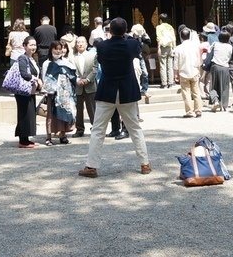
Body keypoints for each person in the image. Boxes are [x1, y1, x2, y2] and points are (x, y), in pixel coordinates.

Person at [78, 18, 151, 178]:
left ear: (109, 30)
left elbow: (102, 60)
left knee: (98, 129)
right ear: (125, 31)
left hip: (107, 89)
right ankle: (144, 163)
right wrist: (129, 35)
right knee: (135, 128)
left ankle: (91, 166)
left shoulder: (102, 46)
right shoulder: (131, 44)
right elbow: (137, 46)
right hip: (127, 89)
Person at [40, 41, 77, 146]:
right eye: (56, 48)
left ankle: (63, 135)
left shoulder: (66, 62)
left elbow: (72, 76)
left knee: (64, 113)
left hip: (65, 93)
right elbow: (45, 78)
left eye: (60, 49)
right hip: (53, 92)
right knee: (51, 115)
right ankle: (49, 136)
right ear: (51, 49)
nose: (58, 51)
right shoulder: (47, 63)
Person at [14, 36, 42, 148]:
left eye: (34, 45)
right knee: (24, 114)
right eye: (30, 45)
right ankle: (23, 140)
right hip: (23, 91)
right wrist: (36, 79)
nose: (33, 47)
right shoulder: (22, 58)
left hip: (30, 91)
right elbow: (24, 73)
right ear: (24, 46)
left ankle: (26, 138)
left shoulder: (32, 58)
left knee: (29, 114)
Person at [173, 26, 203, 117]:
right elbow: (199, 59)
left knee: (186, 93)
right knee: (196, 91)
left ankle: (189, 111)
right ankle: (198, 110)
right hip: (194, 71)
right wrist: (198, 69)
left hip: (183, 72)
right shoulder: (195, 47)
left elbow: (176, 62)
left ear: (181, 36)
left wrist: (175, 74)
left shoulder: (178, 48)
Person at [71, 36, 97, 137]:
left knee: (92, 109)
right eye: (78, 42)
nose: (80, 44)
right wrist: (77, 80)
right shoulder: (72, 58)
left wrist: (88, 79)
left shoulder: (93, 55)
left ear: (86, 44)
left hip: (90, 85)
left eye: (82, 42)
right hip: (78, 87)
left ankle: (95, 128)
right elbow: (71, 71)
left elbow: (95, 69)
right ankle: (79, 129)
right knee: (79, 110)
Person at [204, 29, 233, 112]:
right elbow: (229, 57)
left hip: (215, 66)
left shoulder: (215, 44)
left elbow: (209, 52)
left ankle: (215, 100)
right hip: (225, 67)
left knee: (213, 85)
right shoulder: (230, 47)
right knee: (225, 86)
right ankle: (223, 105)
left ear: (219, 37)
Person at [154, 13, 177, 89]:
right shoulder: (170, 27)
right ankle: (170, 82)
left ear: (160, 20)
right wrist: (174, 47)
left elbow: (159, 38)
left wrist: (158, 48)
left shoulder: (159, 27)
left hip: (163, 47)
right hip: (170, 47)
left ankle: (164, 83)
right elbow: (174, 38)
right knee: (170, 65)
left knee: (163, 65)